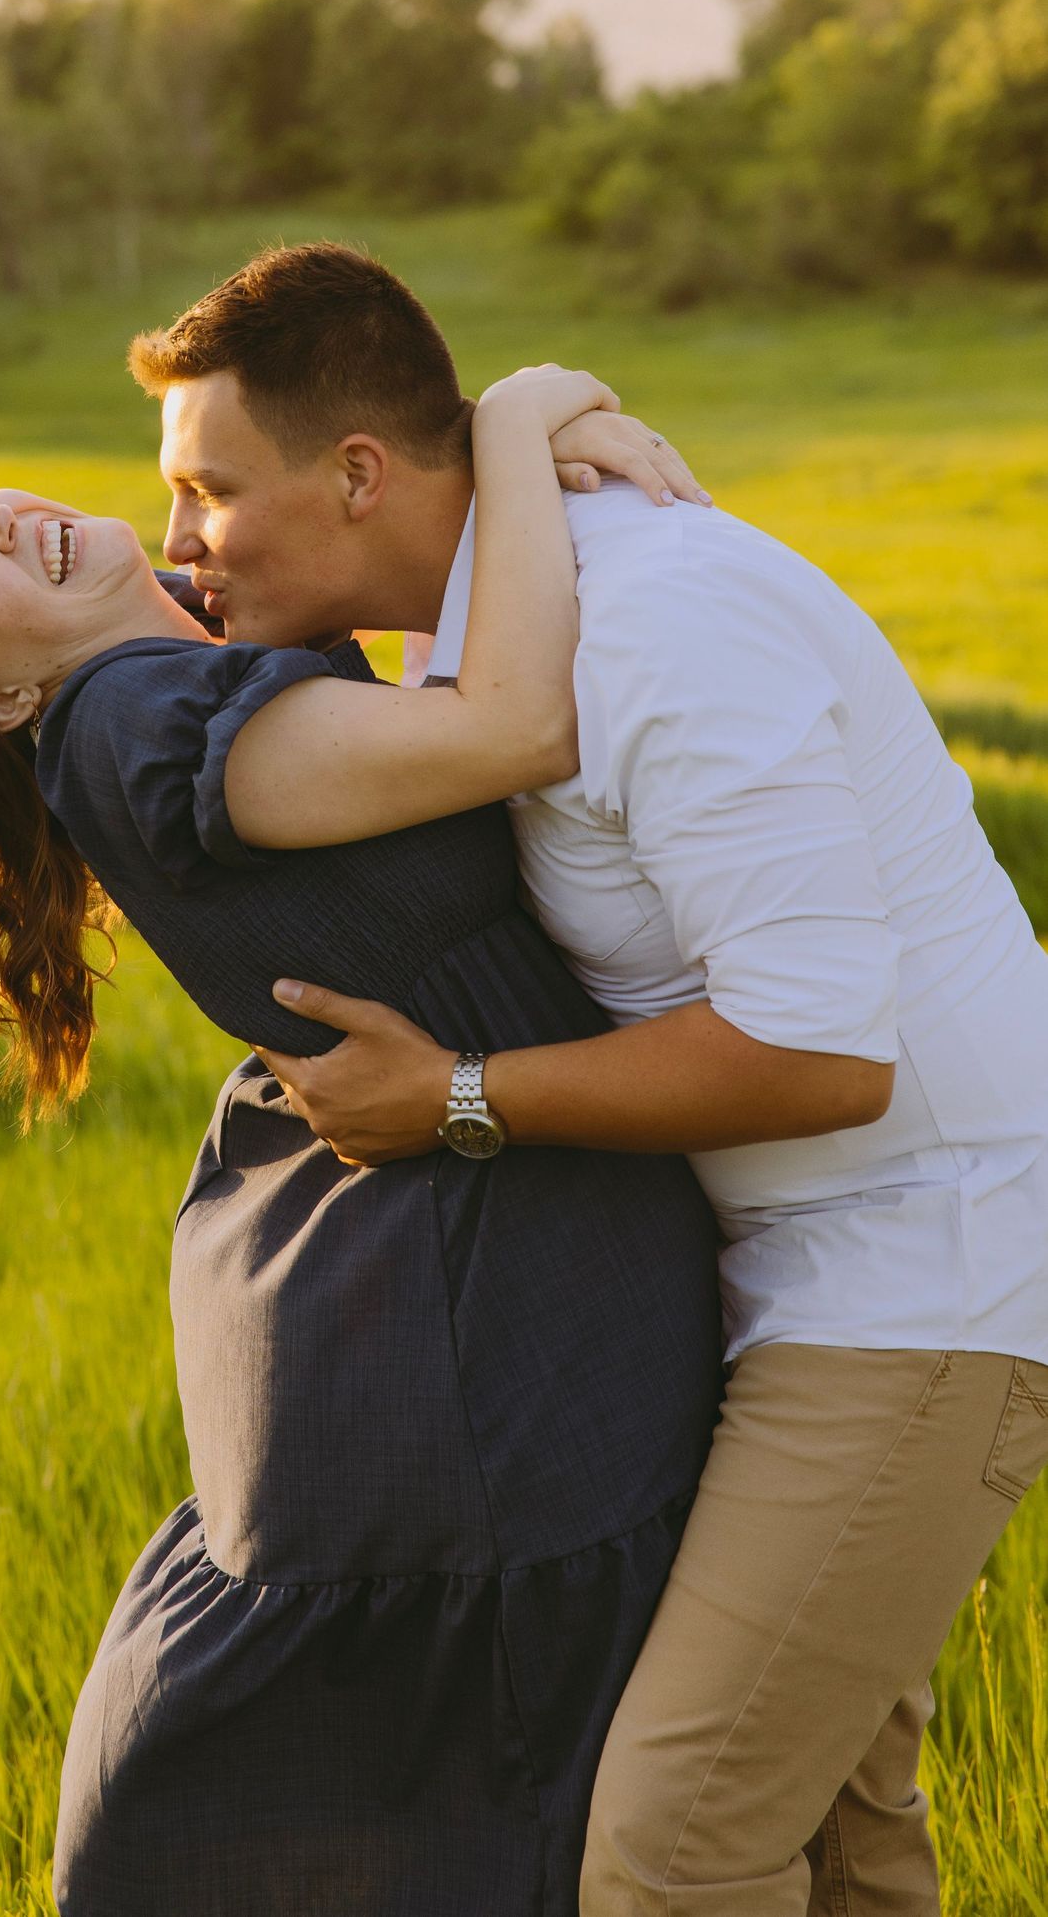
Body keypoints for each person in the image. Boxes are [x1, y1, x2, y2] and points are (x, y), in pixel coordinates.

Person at [0, 354, 725, 1915]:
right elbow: (515, 725)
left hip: (463, 1270)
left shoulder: (194, 651)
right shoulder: (132, 722)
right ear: (2, 698)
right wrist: (520, 412)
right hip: (482, 1330)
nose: (4, 527)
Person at [154, 246, 1048, 1915]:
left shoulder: (654, 624)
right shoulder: (492, 634)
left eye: (209, 489)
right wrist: (528, 414)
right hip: (776, 1273)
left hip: (928, 1268)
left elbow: (825, 1051)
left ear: (358, 475)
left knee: (675, 1845)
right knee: (837, 1838)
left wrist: (459, 1095)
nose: (179, 540)